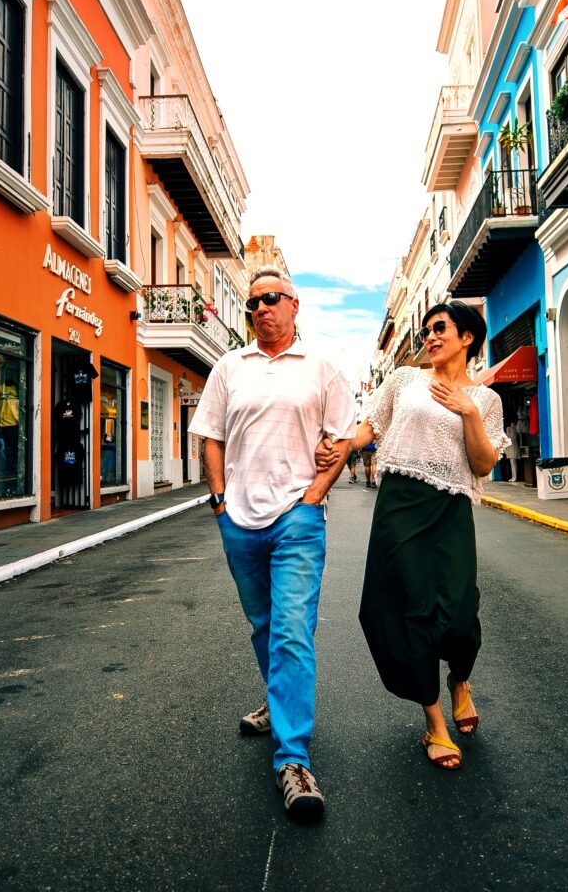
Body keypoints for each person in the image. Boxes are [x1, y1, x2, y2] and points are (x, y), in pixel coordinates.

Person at [190, 266, 355, 821]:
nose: (260, 308)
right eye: (253, 302)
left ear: (294, 305)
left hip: (297, 518)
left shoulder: (322, 366)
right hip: (239, 518)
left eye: (271, 299)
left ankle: (293, 760)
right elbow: (210, 436)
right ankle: (277, 700)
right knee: (263, 626)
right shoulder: (228, 367)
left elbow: (342, 440)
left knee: (290, 629)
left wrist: (315, 495)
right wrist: (219, 502)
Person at [317, 301, 508, 770]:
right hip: (399, 506)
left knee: (461, 613)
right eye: (426, 330)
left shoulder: (485, 400)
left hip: (451, 508)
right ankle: (434, 722)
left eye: (440, 328)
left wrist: (469, 414)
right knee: (411, 610)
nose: (430, 336)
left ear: (467, 337)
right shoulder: (404, 380)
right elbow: (371, 427)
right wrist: (340, 444)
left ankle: (459, 680)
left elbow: (483, 464)